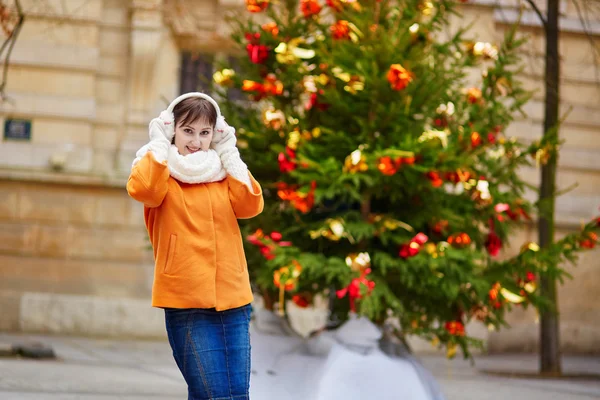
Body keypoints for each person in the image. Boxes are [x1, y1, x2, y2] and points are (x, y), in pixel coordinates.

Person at [127, 92, 264, 400]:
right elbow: (144, 189)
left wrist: (229, 152)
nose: (196, 140)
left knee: (235, 395)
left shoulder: (222, 172)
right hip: (186, 301)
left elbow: (250, 205)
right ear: (172, 129)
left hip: (233, 298)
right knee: (213, 394)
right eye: (188, 130)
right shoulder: (158, 171)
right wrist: (158, 143)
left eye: (205, 133)